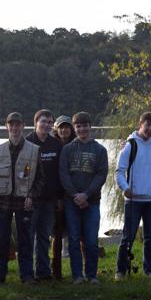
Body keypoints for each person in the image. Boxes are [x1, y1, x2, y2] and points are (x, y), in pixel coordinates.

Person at [0, 112, 43, 284]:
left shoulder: (34, 150)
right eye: (11, 124)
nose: (14, 128)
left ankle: (27, 275)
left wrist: (32, 196)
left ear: (23, 126)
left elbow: (40, 179)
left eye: (18, 125)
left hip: (24, 203)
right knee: (1, 240)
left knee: (25, 240)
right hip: (2, 202)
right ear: (6, 126)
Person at [59, 112, 109, 284]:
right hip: (71, 202)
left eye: (85, 125)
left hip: (92, 202)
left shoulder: (100, 150)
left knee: (91, 240)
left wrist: (86, 194)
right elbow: (63, 174)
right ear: (74, 128)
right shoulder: (67, 149)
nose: (82, 129)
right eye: (78, 126)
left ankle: (92, 275)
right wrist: (75, 195)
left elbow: (101, 175)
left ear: (90, 126)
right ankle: (77, 275)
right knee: (73, 240)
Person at [115, 112, 151, 278]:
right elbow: (119, 171)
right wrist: (125, 188)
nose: (150, 129)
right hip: (133, 199)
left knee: (150, 238)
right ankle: (120, 271)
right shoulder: (130, 145)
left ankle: (148, 271)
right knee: (127, 237)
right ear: (140, 124)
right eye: (147, 125)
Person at [26, 109, 63, 282]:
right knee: (28, 236)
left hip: (49, 199)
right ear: (36, 123)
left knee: (44, 236)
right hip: (31, 199)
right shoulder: (27, 142)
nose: (46, 125)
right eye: (43, 121)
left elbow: (60, 173)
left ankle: (43, 271)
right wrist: (26, 195)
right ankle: (27, 273)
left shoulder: (56, 144)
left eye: (49, 122)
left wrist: (59, 197)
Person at [50, 114, 75, 280]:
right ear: (56, 129)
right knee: (57, 234)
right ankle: (56, 270)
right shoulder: (53, 145)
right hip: (57, 196)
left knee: (77, 234)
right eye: (61, 127)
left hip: (73, 195)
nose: (64, 130)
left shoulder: (76, 144)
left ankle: (81, 270)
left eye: (67, 127)